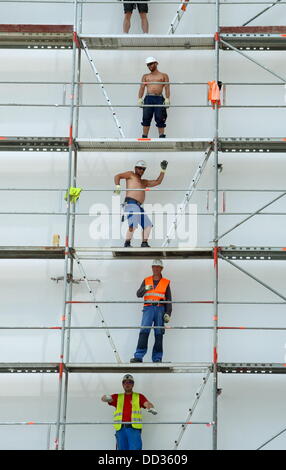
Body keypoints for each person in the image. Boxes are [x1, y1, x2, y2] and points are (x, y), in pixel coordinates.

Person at [114, 159, 168, 247]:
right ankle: (127, 243)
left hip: (138, 206)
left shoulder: (144, 182)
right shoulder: (131, 174)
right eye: (140, 168)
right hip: (131, 203)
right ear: (135, 168)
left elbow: (158, 182)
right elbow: (117, 176)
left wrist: (163, 170)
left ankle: (144, 243)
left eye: (143, 169)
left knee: (148, 225)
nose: (141, 170)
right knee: (133, 224)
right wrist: (117, 186)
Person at [130, 259, 172, 363]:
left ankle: (157, 358)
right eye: (154, 267)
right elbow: (138, 294)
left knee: (159, 333)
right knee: (144, 332)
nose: (156, 269)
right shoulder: (146, 280)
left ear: (161, 269)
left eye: (158, 267)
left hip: (160, 309)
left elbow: (169, 300)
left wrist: (168, 313)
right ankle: (138, 356)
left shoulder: (165, 282)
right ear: (152, 268)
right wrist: (145, 288)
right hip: (148, 308)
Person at [101, 374, 157, 450]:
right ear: (122, 384)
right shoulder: (117, 397)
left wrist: (151, 408)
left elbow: (147, 404)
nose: (127, 384)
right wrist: (106, 398)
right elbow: (104, 398)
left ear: (133, 384)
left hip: (133, 429)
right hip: (121, 430)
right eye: (125, 382)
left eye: (130, 382)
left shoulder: (139, 396)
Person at [138, 57, 170, 138]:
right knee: (146, 117)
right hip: (148, 98)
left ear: (156, 63)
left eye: (151, 64)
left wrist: (167, 98)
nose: (149, 66)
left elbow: (167, 87)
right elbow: (142, 88)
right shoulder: (145, 76)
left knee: (160, 117)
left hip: (159, 98)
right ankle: (144, 137)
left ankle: (162, 136)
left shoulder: (164, 75)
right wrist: (140, 98)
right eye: (148, 65)